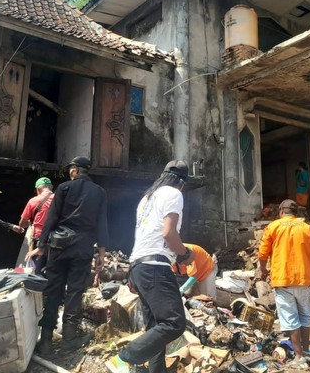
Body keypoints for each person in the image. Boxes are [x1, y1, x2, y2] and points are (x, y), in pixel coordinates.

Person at [106, 160, 195, 373]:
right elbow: (168, 233)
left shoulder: (147, 198)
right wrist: (184, 254)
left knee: (155, 328)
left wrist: (132, 273)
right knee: (174, 323)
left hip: (139, 266)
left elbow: (143, 236)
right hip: (155, 266)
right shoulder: (174, 194)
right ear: (181, 183)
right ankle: (123, 359)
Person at [27, 156, 109, 354]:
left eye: (70, 169)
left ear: (75, 170)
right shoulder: (99, 192)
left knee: (52, 291)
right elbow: (102, 222)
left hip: (58, 247)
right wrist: (102, 251)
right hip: (82, 248)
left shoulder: (63, 188)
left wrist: (41, 245)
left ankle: (46, 340)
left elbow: (51, 219)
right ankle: (68, 341)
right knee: (75, 293)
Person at [258, 199, 310, 369]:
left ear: (281, 211)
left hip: (283, 280)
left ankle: (299, 356)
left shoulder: (273, 227)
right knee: (305, 315)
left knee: (291, 318)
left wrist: (263, 270)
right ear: (296, 213)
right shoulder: (307, 228)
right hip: (304, 279)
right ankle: (306, 351)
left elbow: (262, 254)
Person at [19, 177, 55, 275]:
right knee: (53, 269)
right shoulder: (59, 200)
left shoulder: (33, 201)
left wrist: (31, 223)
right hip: (56, 238)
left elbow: (22, 223)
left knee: (36, 269)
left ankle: (37, 287)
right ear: (50, 187)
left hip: (39, 238)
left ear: (38, 189)